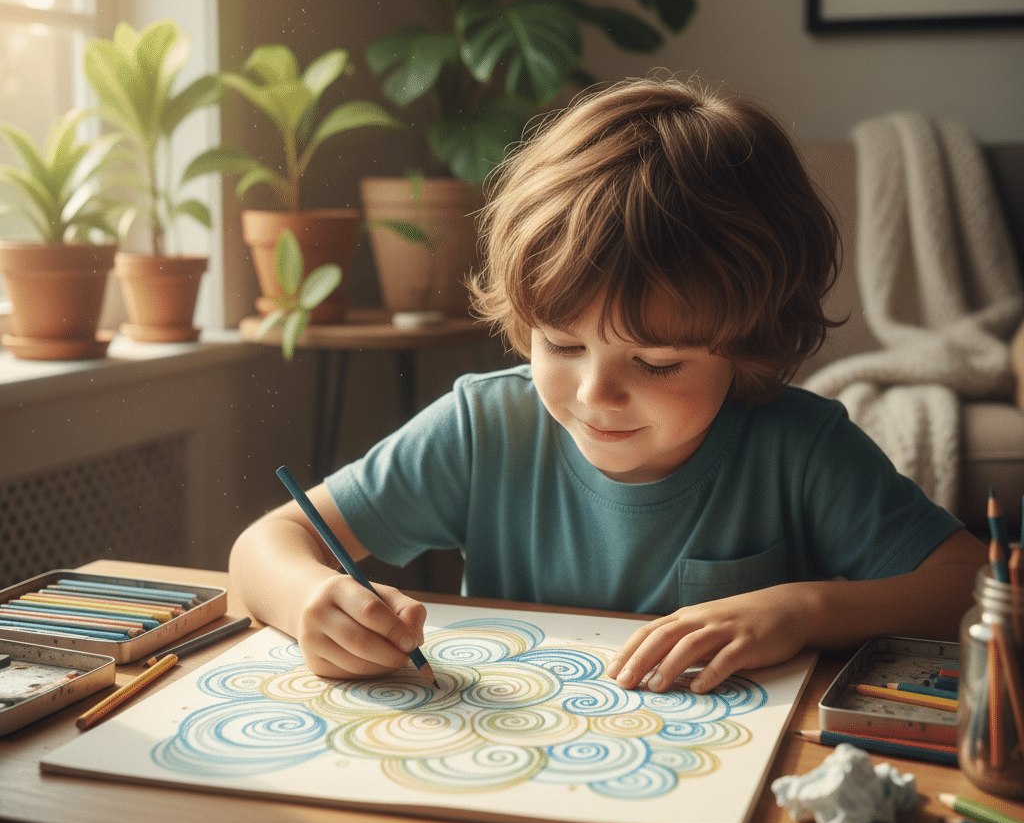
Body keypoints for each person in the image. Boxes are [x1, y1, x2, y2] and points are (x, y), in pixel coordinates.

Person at [229, 75, 986, 695]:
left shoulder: (801, 446)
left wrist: (804, 609)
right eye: (560, 344)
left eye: (657, 363)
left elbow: (968, 584)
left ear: (748, 339)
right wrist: (309, 602)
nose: (595, 394)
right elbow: (267, 542)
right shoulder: (483, 429)